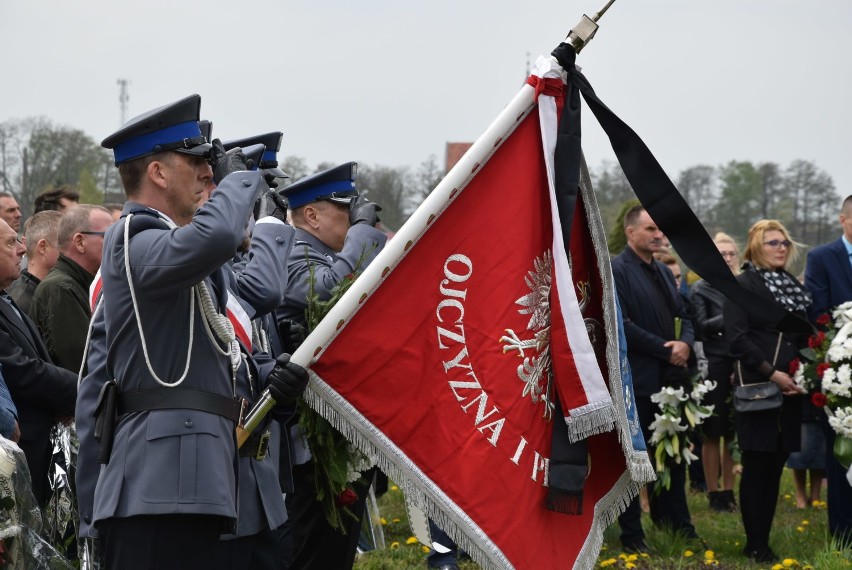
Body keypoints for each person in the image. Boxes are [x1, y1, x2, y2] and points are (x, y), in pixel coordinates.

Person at [75, 94, 309, 570]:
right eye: (198, 161)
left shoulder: (183, 257)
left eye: (212, 164)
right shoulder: (132, 238)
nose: (208, 172)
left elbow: (216, 355)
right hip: (154, 485)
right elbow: (220, 235)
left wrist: (269, 383)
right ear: (158, 173)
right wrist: (239, 179)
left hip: (194, 482)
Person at [277, 161, 387, 570]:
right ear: (311, 215)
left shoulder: (325, 254)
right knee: (313, 555)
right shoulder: (295, 251)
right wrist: (363, 233)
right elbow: (327, 296)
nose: (355, 218)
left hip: (329, 440)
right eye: (346, 211)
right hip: (306, 448)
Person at [611, 205, 699, 552]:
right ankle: (633, 537)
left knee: (673, 457)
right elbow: (622, 326)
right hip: (639, 381)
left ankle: (678, 525)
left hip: (671, 382)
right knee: (634, 463)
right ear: (631, 232)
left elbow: (686, 314)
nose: (658, 235)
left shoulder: (664, 272)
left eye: (659, 229)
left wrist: (686, 344)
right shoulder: (617, 270)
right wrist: (667, 349)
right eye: (650, 229)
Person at [723, 219, 809, 564]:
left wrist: (805, 372)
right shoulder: (742, 285)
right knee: (757, 463)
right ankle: (755, 542)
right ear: (757, 246)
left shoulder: (793, 286)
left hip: (792, 389)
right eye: (773, 243)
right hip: (760, 387)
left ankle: (764, 537)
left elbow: (803, 335)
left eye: (785, 243)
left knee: (776, 464)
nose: (781, 248)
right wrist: (773, 374)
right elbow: (737, 338)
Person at [0, 218, 77, 506]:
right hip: (18, 452)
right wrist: (86, 389)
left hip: (37, 449)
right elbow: (21, 371)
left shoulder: (5, 299)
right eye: (11, 243)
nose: (22, 249)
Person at [803, 195, 852, 544]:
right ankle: (843, 532)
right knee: (841, 453)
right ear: (843, 220)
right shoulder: (822, 258)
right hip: (841, 366)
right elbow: (817, 312)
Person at [29, 205, 113, 372]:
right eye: (109, 236)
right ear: (80, 242)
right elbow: (84, 367)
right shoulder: (60, 290)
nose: (116, 243)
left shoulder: (82, 284)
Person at [690, 232, 740, 512]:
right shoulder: (701, 289)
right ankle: (713, 492)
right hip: (713, 363)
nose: (728, 258)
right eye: (722, 254)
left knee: (731, 432)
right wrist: (731, 312)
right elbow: (701, 326)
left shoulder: (741, 286)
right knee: (712, 432)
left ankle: (729, 492)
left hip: (739, 361)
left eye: (732, 253)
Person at [7, 211, 62, 314]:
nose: (71, 249)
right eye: (63, 243)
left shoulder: (46, 290)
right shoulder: (20, 303)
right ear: (43, 247)